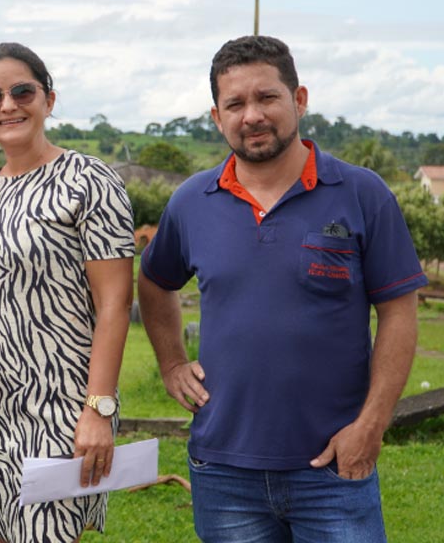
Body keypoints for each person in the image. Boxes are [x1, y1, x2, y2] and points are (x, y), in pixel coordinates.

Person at [137, 35, 427, 542]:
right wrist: (171, 363)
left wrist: (372, 424)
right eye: (235, 104)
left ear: (299, 99)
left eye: (267, 97)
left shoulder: (362, 194)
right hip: (223, 469)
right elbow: (154, 281)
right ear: (216, 116)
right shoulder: (191, 202)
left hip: (335, 465)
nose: (252, 115)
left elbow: (399, 313)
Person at [0, 42, 136, 543]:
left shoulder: (88, 181)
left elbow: (114, 305)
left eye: (22, 91)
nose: (7, 105)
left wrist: (98, 410)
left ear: (48, 100)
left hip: (60, 408)